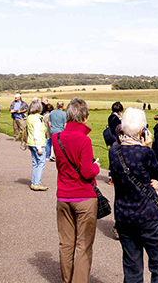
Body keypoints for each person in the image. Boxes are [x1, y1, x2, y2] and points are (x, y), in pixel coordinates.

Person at [108, 108, 158, 283]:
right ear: (143, 130)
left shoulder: (114, 152)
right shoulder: (145, 153)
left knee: (132, 265)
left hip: (124, 215)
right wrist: (147, 146)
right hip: (148, 215)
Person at [53, 98, 101, 283]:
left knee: (66, 243)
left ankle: (67, 279)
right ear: (85, 117)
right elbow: (87, 172)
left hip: (63, 195)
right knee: (83, 245)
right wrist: (96, 166)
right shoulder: (84, 140)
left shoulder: (57, 138)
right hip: (83, 196)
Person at [27, 100, 48, 191]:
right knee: (41, 163)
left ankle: (34, 182)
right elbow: (37, 134)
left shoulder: (29, 117)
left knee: (35, 163)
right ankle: (36, 183)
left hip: (31, 142)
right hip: (38, 143)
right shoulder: (38, 119)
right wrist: (39, 147)